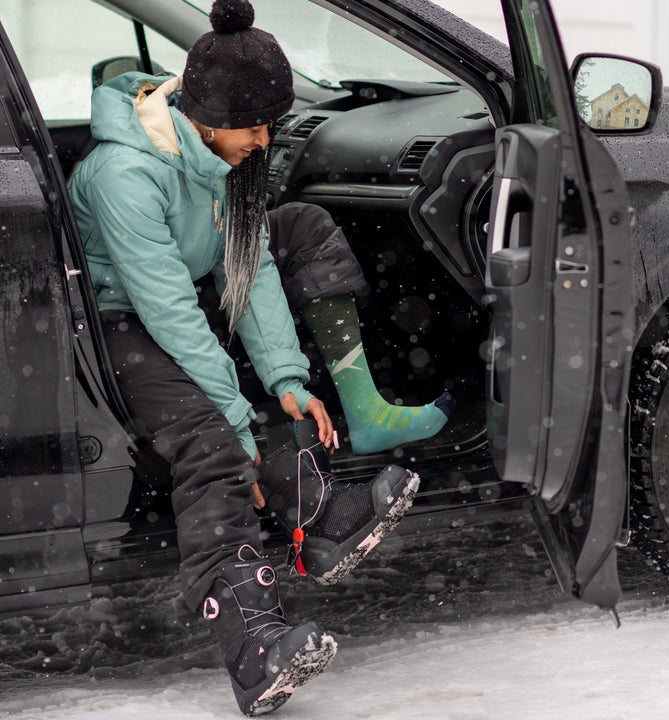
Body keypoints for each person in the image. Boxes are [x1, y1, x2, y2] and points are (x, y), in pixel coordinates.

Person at [68, 0, 449, 715]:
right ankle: (253, 648)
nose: (264, 139)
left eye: (270, 123)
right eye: (253, 126)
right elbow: (169, 314)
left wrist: (285, 380)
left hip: (178, 297)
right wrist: (241, 430)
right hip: (118, 323)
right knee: (213, 446)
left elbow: (251, 265)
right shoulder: (126, 174)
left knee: (291, 245)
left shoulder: (226, 151)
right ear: (207, 116)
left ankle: (322, 521)